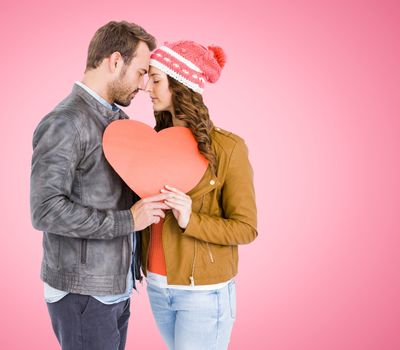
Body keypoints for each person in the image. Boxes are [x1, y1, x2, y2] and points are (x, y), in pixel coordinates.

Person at [30, 21, 169, 350]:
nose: (144, 84)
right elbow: (45, 210)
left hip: (114, 288)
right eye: (140, 72)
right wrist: (128, 221)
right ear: (115, 61)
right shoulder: (65, 122)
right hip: (84, 293)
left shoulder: (118, 122)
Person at [141, 40, 258, 350]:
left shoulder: (228, 148)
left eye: (155, 79)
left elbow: (246, 228)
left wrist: (191, 219)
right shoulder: (153, 144)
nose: (146, 88)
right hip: (157, 286)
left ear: (179, 84)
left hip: (203, 294)